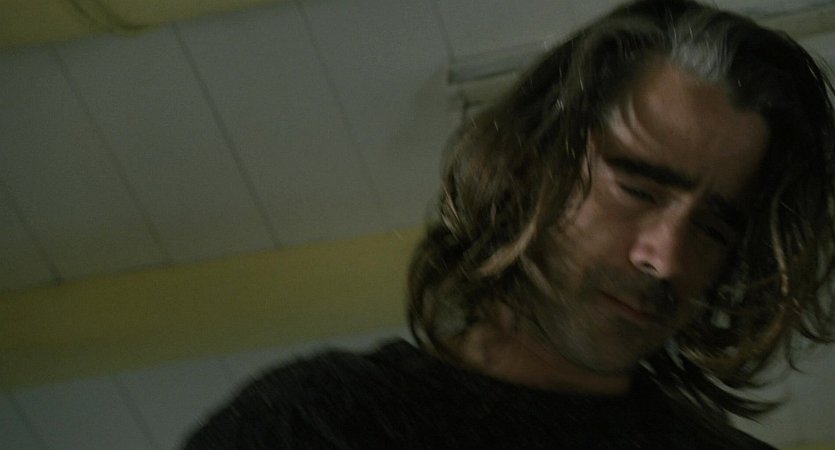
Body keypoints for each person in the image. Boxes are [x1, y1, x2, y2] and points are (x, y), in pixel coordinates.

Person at [184, 0, 835, 448]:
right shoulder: (311, 425)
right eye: (636, 189)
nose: (665, 258)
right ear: (525, 164)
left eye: (714, 228)